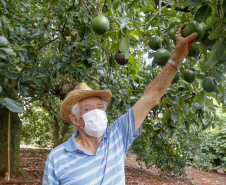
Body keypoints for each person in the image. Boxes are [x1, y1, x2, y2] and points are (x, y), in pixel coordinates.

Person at [42, 23, 198, 185]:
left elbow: (150, 98)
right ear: (75, 119)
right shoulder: (57, 158)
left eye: (100, 107)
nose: (96, 112)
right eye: (88, 109)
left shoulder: (118, 135)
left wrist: (178, 55)